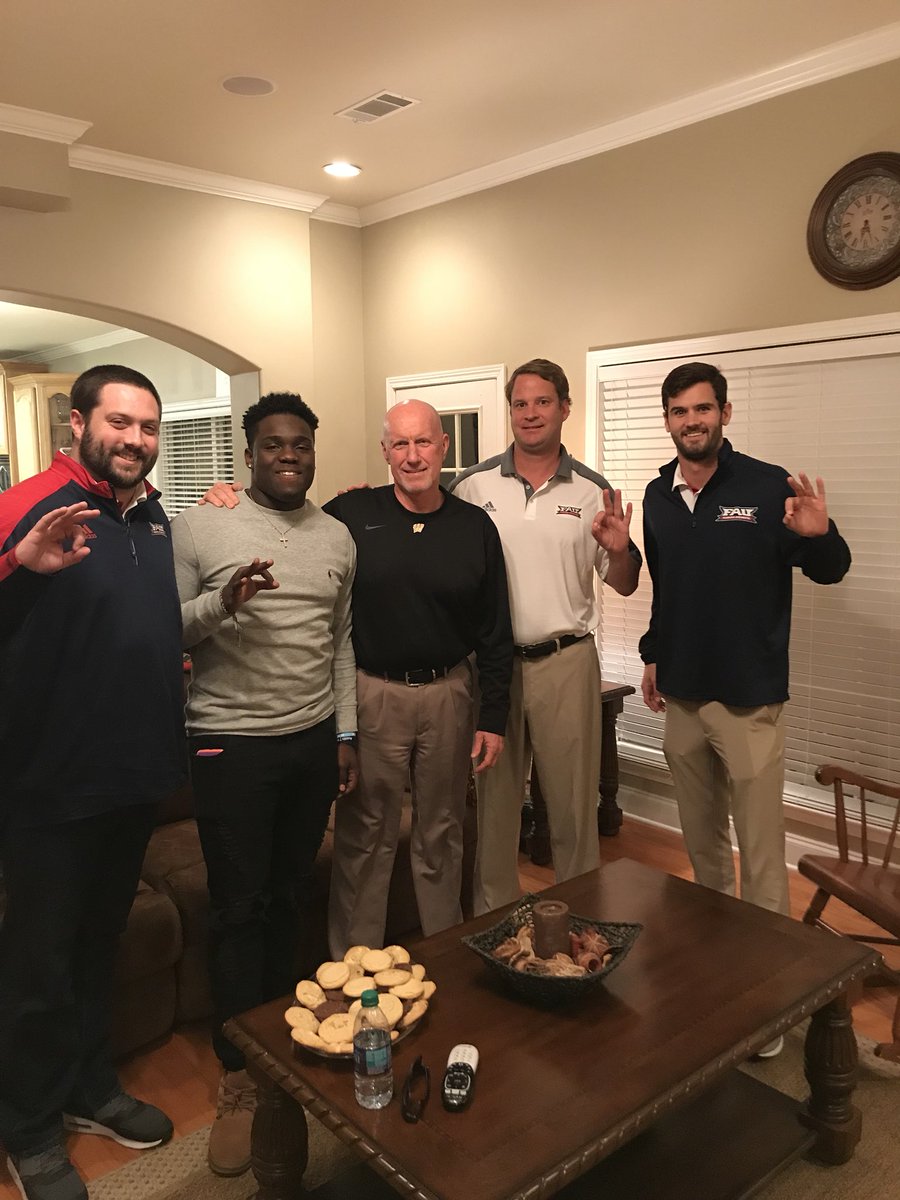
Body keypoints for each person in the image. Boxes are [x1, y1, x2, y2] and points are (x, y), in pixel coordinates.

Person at [199, 398, 513, 954]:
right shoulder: (351, 515)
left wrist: (493, 717)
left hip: (449, 694)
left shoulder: (475, 526)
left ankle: (445, 956)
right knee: (365, 835)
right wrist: (225, 495)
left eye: (423, 442)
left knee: (441, 832)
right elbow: (283, 515)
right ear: (385, 451)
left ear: (443, 448)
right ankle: (354, 964)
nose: (412, 455)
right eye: (400, 443)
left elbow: (494, 629)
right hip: (374, 694)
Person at [0, 365, 185, 1200]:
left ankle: (87, 1088)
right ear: (77, 423)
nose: (134, 440)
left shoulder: (150, 518)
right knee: (38, 966)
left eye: (147, 427)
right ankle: (30, 1128)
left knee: (96, 948)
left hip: (131, 779)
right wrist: (19, 567)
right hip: (48, 787)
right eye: (119, 422)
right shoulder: (29, 504)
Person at [171, 393, 357, 1178]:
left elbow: (341, 638)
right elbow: (170, 628)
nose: (290, 455)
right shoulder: (199, 525)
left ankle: (287, 1040)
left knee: (290, 895)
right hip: (229, 746)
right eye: (274, 444)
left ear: (314, 452)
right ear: (248, 455)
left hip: (311, 741)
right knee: (239, 906)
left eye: (302, 445)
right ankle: (241, 1076)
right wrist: (227, 600)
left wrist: (345, 734)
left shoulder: (339, 536)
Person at [639, 361, 851, 925]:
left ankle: (772, 982)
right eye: (680, 411)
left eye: (703, 408)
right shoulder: (658, 494)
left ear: (724, 414)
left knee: (760, 853)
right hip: (681, 696)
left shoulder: (766, 486)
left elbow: (832, 570)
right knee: (702, 846)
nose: (692, 421)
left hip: (748, 699)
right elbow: (666, 587)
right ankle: (717, 953)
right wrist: (653, 653)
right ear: (667, 421)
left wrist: (821, 536)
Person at [450, 359, 641, 914]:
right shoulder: (472, 486)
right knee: (496, 807)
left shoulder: (592, 490)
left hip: (566, 661)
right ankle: (494, 925)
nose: (530, 413)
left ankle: (582, 928)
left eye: (542, 402)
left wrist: (622, 548)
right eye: (520, 403)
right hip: (493, 666)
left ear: (564, 408)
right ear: (510, 411)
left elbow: (623, 584)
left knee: (575, 809)